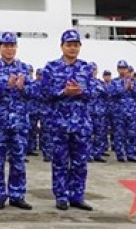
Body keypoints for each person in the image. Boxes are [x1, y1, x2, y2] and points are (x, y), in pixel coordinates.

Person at [40, 29, 96, 211]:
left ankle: (77, 196)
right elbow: (45, 93)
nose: (72, 48)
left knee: (80, 162)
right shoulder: (51, 67)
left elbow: (95, 93)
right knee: (60, 162)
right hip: (59, 124)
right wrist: (63, 92)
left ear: (80, 47)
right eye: (69, 45)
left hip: (80, 124)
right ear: (62, 46)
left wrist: (81, 92)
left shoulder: (86, 68)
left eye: (75, 45)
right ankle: (61, 196)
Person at [0, 31, 36, 210]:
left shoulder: (24, 68)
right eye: (6, 45)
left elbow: (33, 93)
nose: (9, 49)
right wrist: (5, 85)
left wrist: (22, 88)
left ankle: (17, 195)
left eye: (12, 45)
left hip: (19, 122)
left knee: (18, 160)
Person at [109, 60, 136, 163]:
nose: (122, 70)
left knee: (131, 134)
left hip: (131, 112)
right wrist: (124, 88)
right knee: (119, 134)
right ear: (117, 69)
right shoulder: (114, 82)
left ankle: (131, 154)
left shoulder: (133, 82)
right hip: (118, 112)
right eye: (120, 68)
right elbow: (111, 94)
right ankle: (120, 155)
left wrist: (132, 88)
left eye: (124, 68)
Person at [89, 70, 112, 162]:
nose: (92, 72)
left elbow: (108, 93)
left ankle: (97, 154)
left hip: (99, 112)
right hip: (88, 112)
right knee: (87, 135)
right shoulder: (83, 81)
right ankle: (88, 155)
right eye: (91, 69)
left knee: (99, 134)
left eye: (94, 70)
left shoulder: (100, 83)